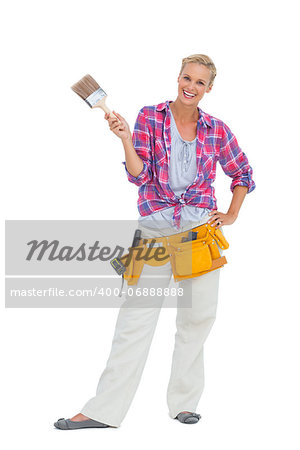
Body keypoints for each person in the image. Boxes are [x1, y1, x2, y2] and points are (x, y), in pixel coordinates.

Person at [54, 54, 256, 430]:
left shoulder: (216, 129)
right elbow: (139, 174)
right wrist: (126, 139)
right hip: (154, 233)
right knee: (134, 320)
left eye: (199, 82)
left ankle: (184, 404)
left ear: (209, 89)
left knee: (196, 320)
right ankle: (102, 412)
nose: (190, 86)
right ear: (178, 78)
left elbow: (242, 171)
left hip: (199, 235)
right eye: (186, 78)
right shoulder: (150, 117)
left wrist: (232, 213)